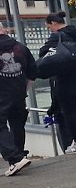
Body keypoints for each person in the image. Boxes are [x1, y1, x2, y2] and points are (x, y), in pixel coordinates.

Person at [39, 12, 76, 154]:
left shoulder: (57, 36)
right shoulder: (75, 34)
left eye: (49, 27)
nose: (50, 30)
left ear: (54, 23)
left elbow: (43, 52)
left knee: (69, 110)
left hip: (66, 77)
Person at [0, 23, 37, 176]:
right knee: (17, 124)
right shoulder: (21, 47)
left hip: (1, 94)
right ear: (4, 30)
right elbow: (33, 71)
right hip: (18, 93)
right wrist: (24, 89)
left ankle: (15, 158)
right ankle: (19, 156)